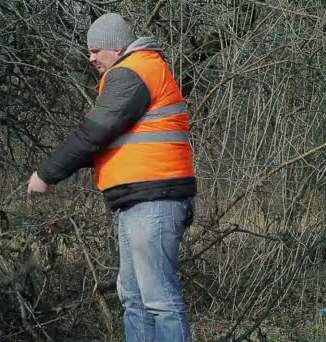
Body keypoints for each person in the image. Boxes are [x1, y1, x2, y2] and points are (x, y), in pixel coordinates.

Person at [27, 12, 196, 342]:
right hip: (139, 199)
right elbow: (107, 142)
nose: (90, 57)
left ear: (116, 48)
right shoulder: (136, 71)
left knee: (158, 300)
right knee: (134, 300)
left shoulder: (133, 73)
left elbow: (94, 134)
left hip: (154, 199)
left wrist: (46, 174)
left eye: (95, 50)